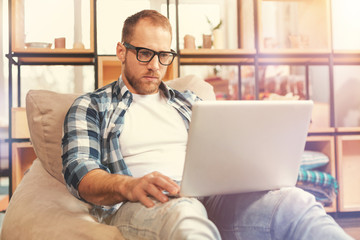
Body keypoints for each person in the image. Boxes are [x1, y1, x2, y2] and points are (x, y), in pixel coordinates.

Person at [62, 9, 353, 240]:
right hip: (144, 203)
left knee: (294, 203)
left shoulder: (190, 102)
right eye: (144, 53)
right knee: (186, 215)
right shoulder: (92, 106)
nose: (155, 65)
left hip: (213, 197)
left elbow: (228, 152)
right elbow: (80, 173)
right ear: (121, 51)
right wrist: (129, 185)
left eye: (164, 55)